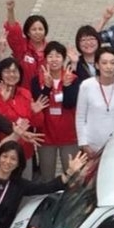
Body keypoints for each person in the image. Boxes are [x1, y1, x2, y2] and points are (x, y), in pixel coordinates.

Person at [30, 42, 81, 179]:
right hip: (45, 135)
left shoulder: (73, 78)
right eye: (50, 56)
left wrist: (67, 86)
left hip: (69, 135)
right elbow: (39, 104)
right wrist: (47, 87)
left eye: (58, 56)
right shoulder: (37, 80)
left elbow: (70, 104)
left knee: (72, 176)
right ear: (45, 58)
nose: (54, 59)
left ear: (63, 59)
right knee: (47, 177)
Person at [76, 47, 114, 153]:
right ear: (97, 65)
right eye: (104, 63)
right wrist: (83, 143)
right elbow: (80, 117)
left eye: (112, 63)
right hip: (92, 145)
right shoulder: (86, 85)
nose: (109, 67)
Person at [2, 0, 50, 88]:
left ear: (45, 31)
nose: (37, 32)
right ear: (28, 32)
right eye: (34, 29)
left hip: (44, 94)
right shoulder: (22, 46)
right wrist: (10, 11)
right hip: (23, 93)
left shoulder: (50, 49)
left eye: (40, 29)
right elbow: (13, 31)